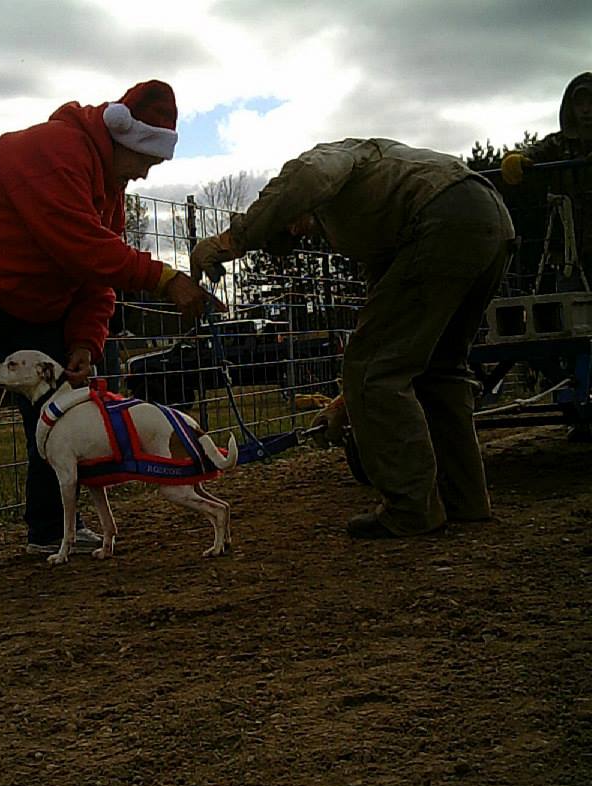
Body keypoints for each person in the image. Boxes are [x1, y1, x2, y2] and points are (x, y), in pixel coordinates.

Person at [0, 79, 215, 578]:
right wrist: (164, 277)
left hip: (30, 300)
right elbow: (78, 243)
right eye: (146, 161)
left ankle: (50, 527)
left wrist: (87, 341)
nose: (146, 173)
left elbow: (97, 272)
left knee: (67, 396)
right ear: (124, 139)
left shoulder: (108, 193)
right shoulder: (52, 149)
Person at [191, 138, 515, 539]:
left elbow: (307, 175)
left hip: (444, 216)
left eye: (289, 222)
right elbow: (387, 325)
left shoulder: (327, 161)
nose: (295, 230)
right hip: (487, 218)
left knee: (375, 370)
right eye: (289, 235)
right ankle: (465, 500)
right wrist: (349, 404)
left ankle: (411, 507)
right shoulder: (372, 212)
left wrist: (233, 240)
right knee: (439, 368)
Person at [501, 72, 592, 293]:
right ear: (570, 108)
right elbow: (533, 154)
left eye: (591, 102)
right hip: (570, 252)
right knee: (574, 319)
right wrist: (516, 159)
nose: (587, 109)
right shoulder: (557, 144)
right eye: (580, 103)